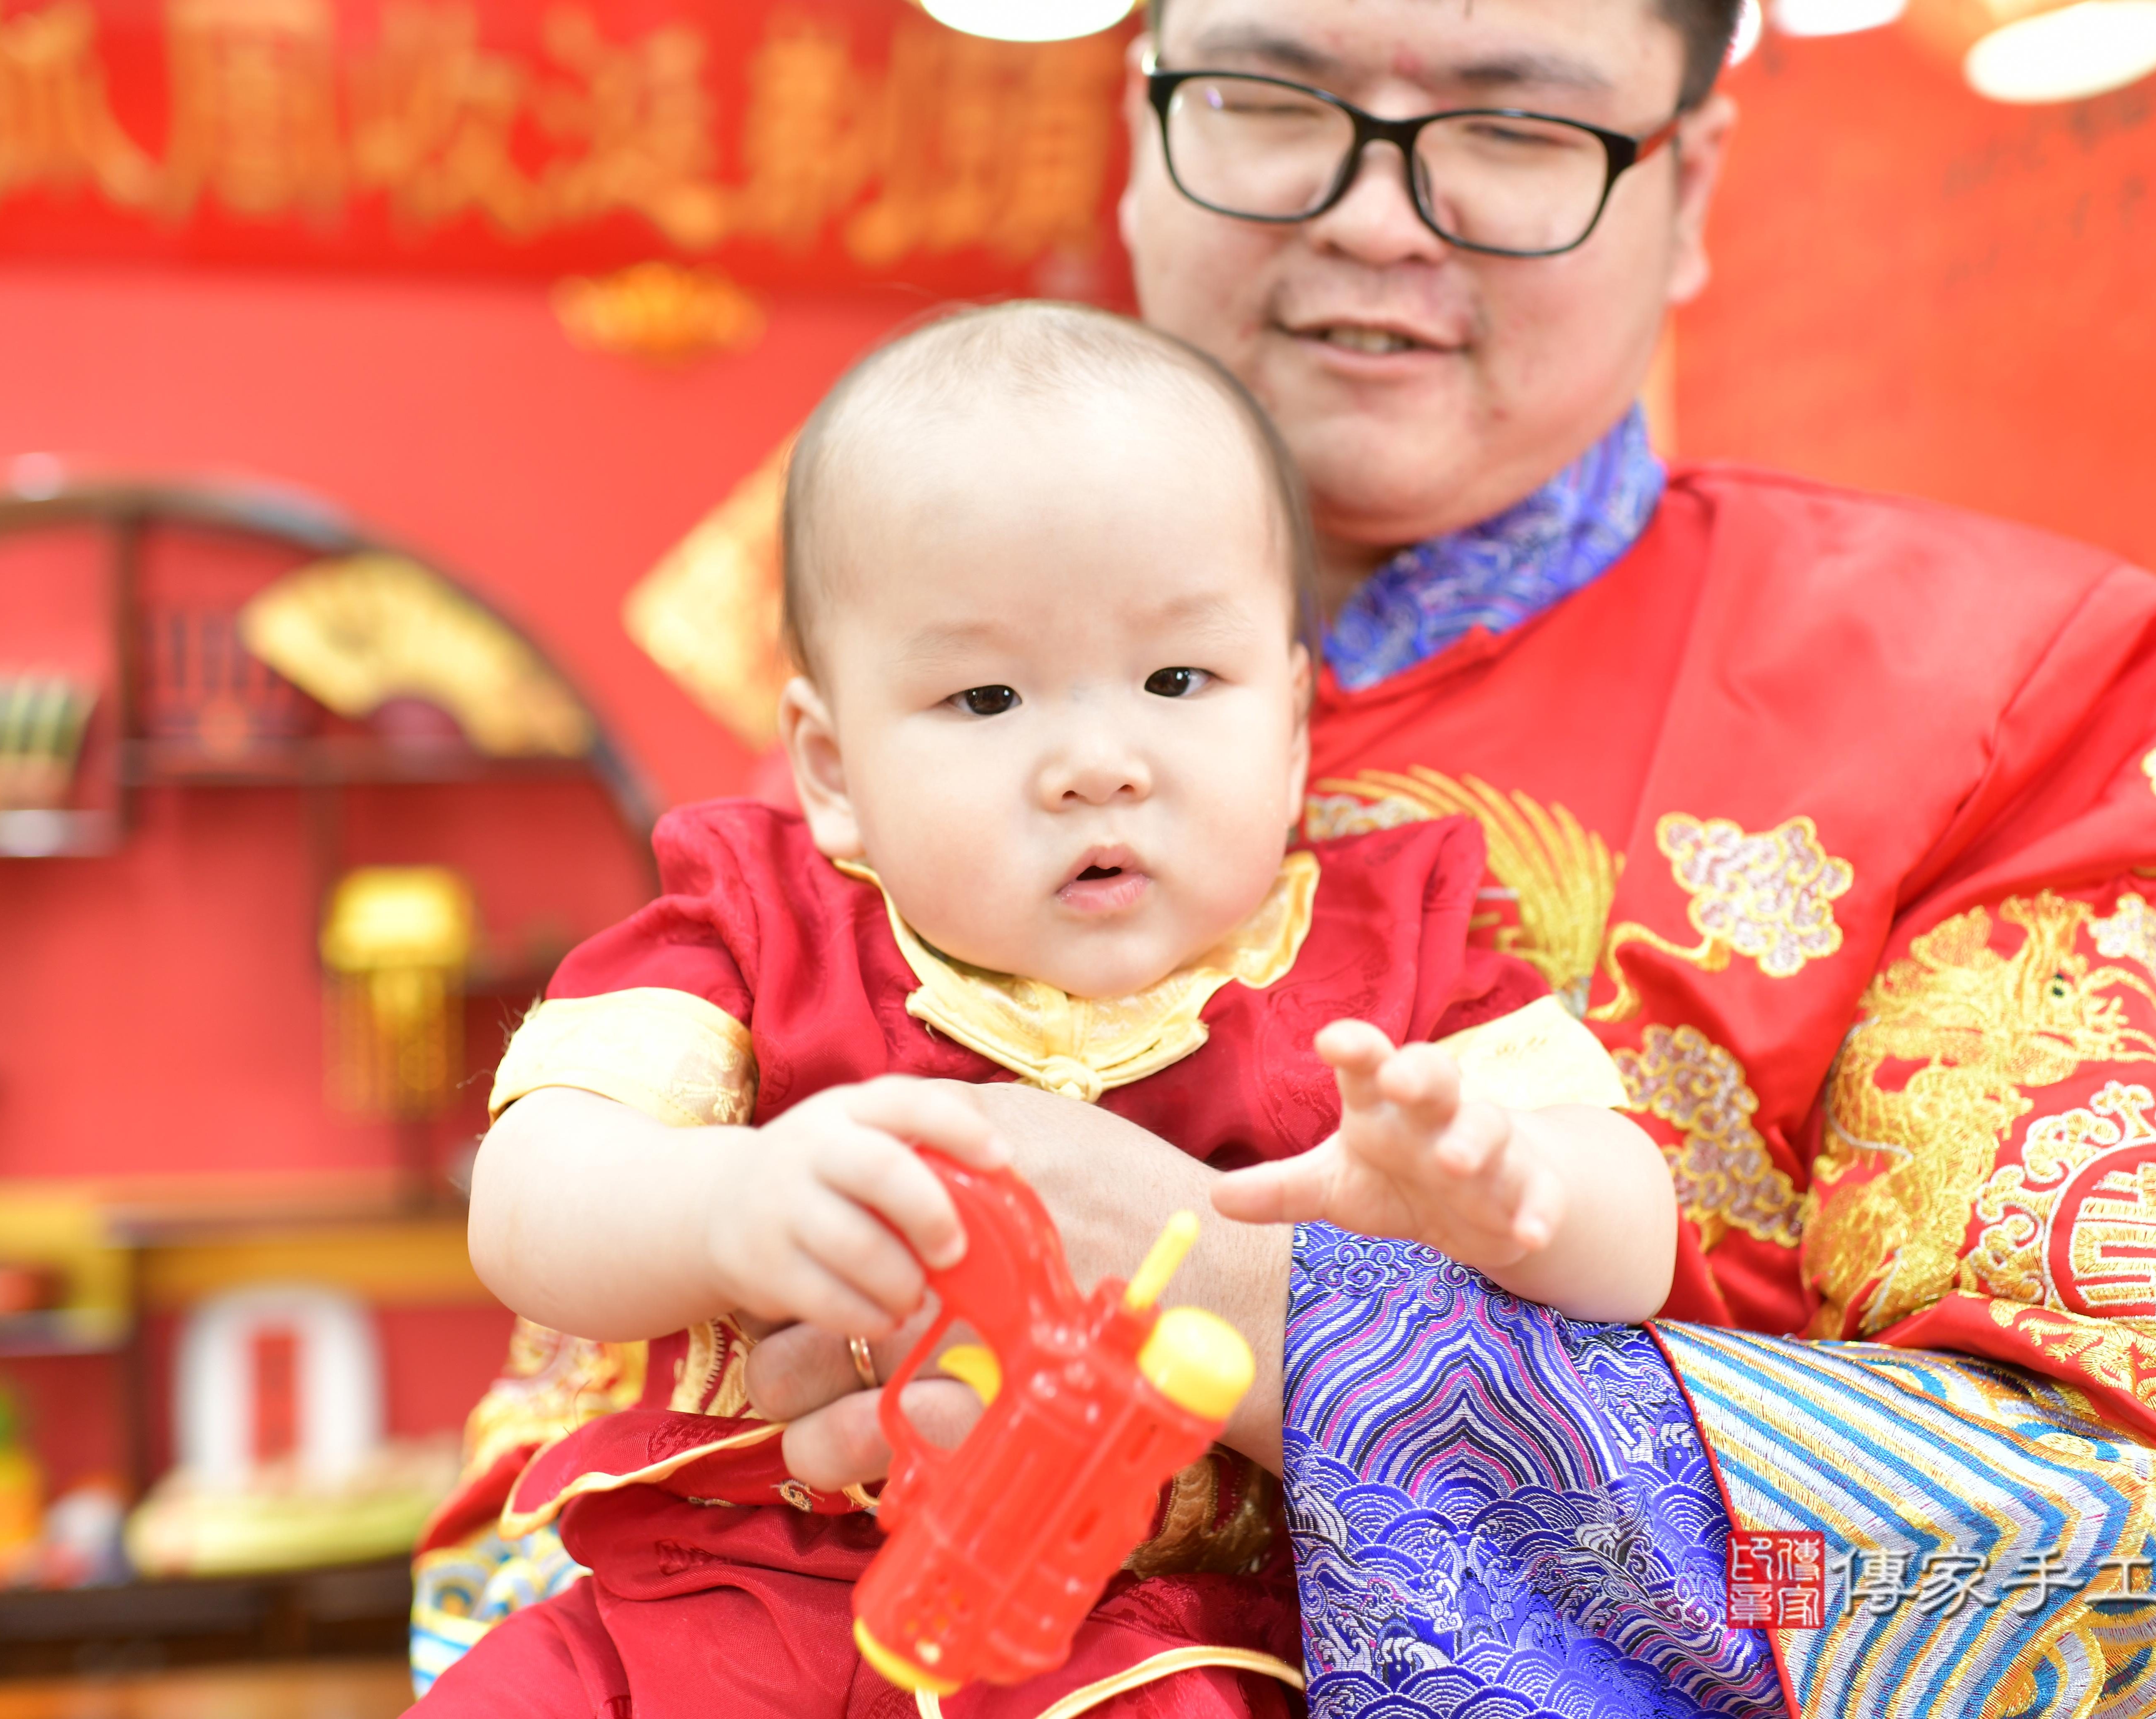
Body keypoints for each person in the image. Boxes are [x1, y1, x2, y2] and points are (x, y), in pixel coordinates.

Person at [430, 0, 2156, 1713]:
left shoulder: (2029, 699)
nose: (1376, 217)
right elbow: (554, 1426)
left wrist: (1246, 1317)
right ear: (1142, 104)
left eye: (1517, 126)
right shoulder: (902, 608)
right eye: (1276, 91)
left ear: (1686, 184)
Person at [414, 301, 1676, 1719]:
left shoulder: (1395, 963)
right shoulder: (765, 926)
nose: (1094, 761)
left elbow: (1636, 1247)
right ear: (831, 768)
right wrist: (722, 1200)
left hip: (1154, 1633)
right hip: (739, 1593)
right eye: (988, 693)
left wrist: (1507, 1198)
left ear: (1298, 727)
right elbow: (529, 1199)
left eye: (1179, 679)